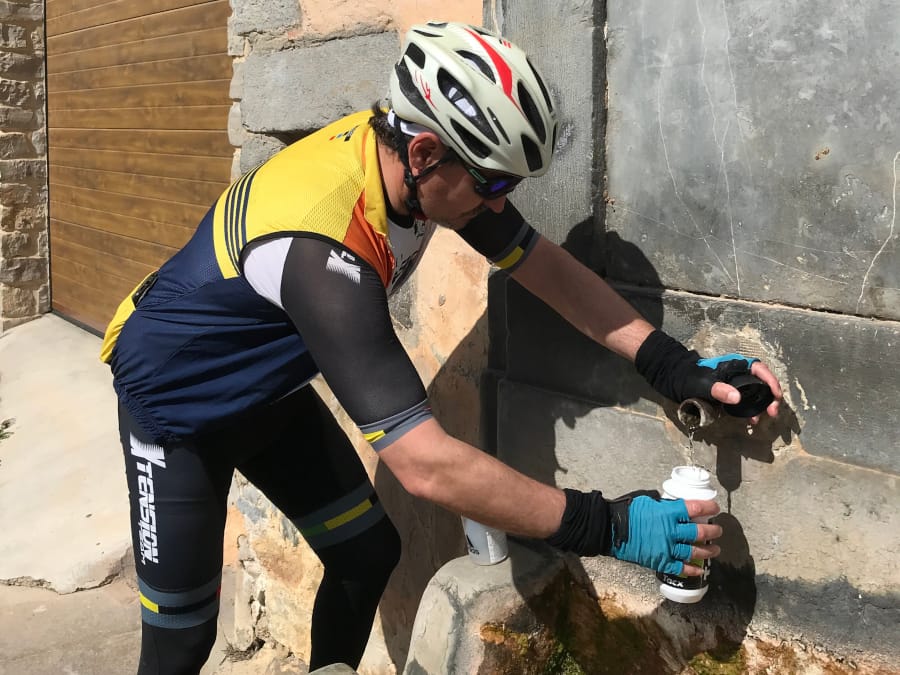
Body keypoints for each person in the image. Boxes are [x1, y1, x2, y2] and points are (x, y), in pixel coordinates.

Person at [100, 21, 783, 674]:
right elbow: (424, 464)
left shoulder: (421, 176)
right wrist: (611, 525)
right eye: (494, 183)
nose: (501, 205)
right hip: (176, 409)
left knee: (367, 554)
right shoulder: (324, 251)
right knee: (181, 640)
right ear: (425, 152)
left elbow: (542, 266)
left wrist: (673, 365)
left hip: (265, 392)